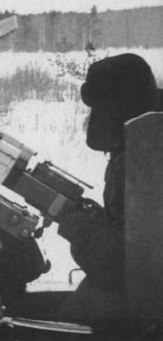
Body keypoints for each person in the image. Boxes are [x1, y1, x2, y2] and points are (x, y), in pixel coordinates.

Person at [56, 54, 159, 335]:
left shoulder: (146, 157)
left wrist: (79, 227)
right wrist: (99, 220)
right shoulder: (144, 142)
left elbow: (128, 264)